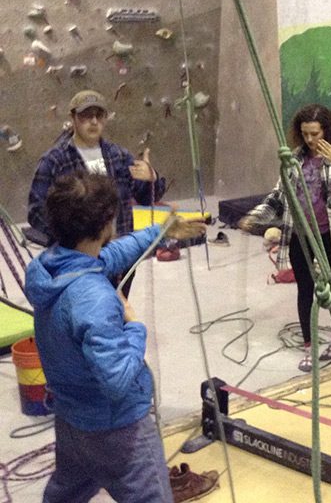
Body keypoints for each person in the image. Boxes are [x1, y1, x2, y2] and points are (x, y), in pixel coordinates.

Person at [24, 172, 206, 503]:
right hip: (117, 430)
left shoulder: (49, 268)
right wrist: (135, 327)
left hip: (71, 423)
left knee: (66, 493)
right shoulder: (94, 298)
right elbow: (117, 380)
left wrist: (161, 232)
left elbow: (111, 255)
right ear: (106, 223)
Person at [239, 103, 331, 373]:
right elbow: (278, 196)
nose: (310, 140)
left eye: (315, 133)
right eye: (305, 134)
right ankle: (309, 347)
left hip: (330, 237)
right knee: (304, 289)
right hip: (301, 234)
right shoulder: (294, 161)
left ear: (327, 130)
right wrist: (255, 217)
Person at [28, 89, 166, 243]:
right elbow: (36, 212)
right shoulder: (54, 161)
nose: (94, 121)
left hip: (121, 254)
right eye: (86, 115)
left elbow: (148, 198)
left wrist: (151, 178)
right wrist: (69, 241)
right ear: (72, 118)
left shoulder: (120, 157)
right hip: (78, 260)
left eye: (99, 115)